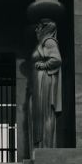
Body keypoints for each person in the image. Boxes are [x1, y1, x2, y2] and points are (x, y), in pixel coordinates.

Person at [29, 18, 62, 148]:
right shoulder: (44, 42)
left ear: (44, 28)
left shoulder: (48, 41)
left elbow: (56, 59)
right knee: (40, 115)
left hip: (44, 80)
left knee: (45, 114)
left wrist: (43, 65)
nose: (36, 30)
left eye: (38, 27)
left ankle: (46, 146)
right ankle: (42, 145)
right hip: (39, 80)